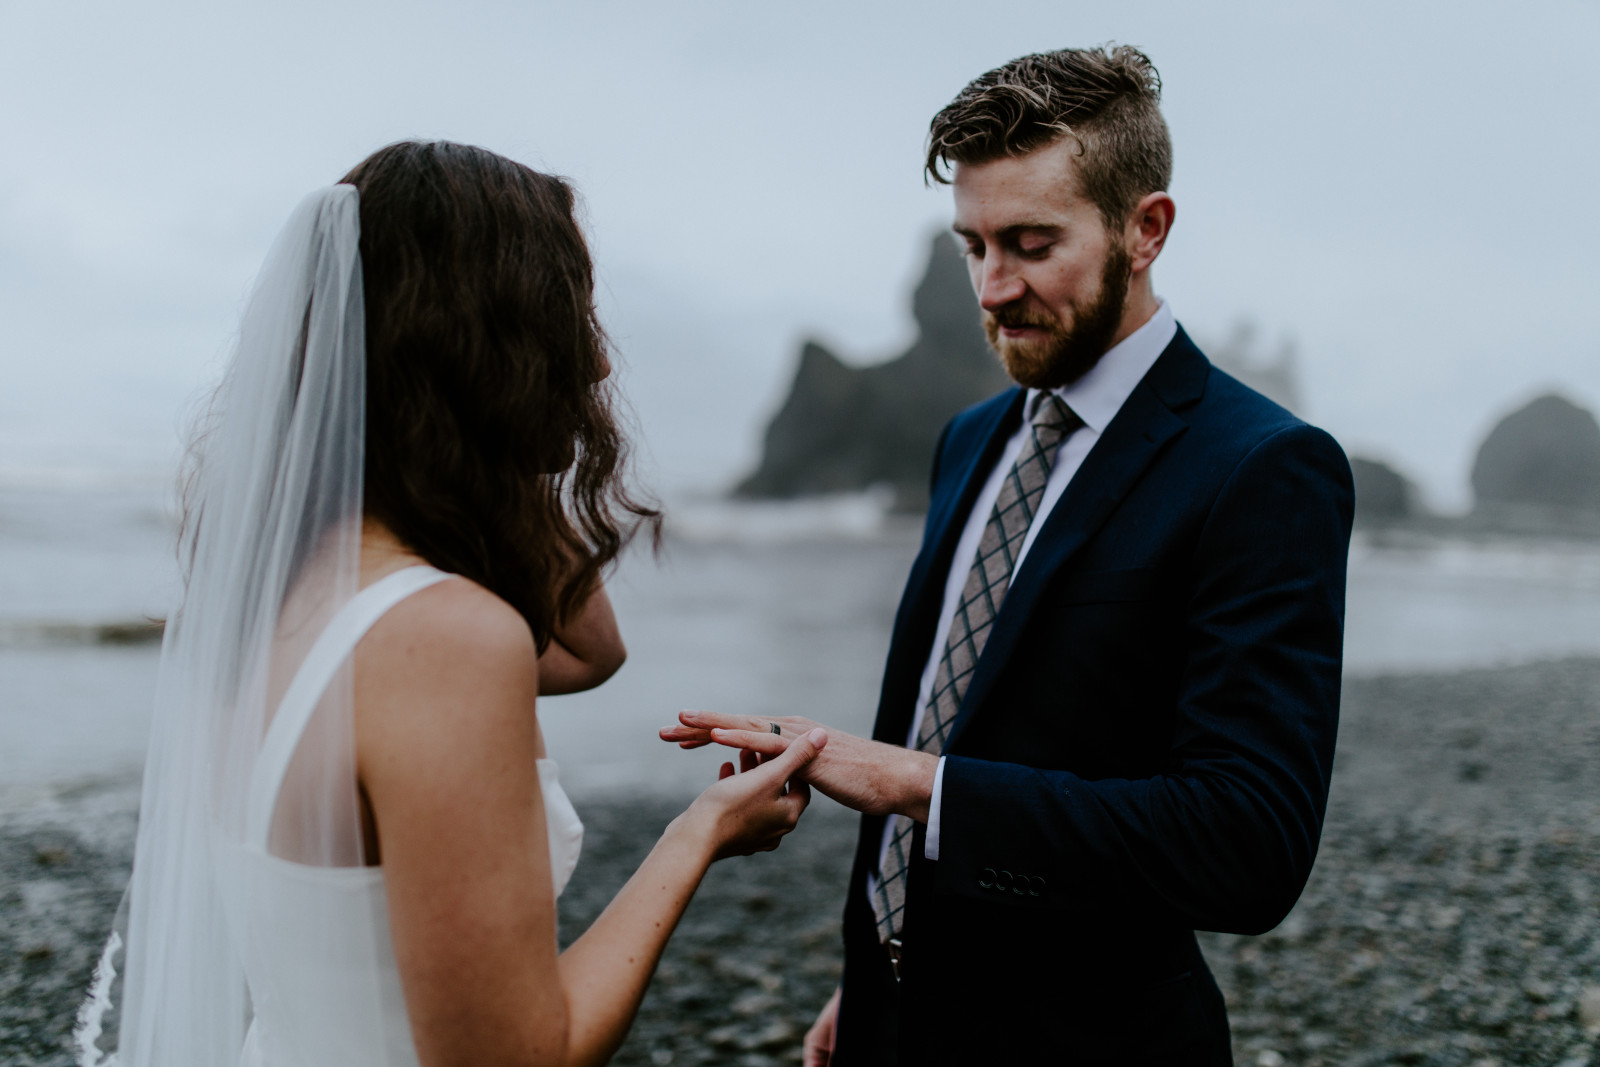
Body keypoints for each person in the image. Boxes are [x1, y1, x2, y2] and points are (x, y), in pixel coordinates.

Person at [663, 46, 1354, 1064]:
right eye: (972, 247)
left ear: (1145, 228)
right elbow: (955, 701)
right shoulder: (970, 438)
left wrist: (913, 783)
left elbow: (1248, 842)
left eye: (1031, 244)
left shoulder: (1263, 468)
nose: (992, 287)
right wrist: (877, 970)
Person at [77, 140, 827, 1067]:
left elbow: (594, 652)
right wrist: (700, 831)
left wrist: (494, 457)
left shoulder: (277, 598)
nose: (595, 367)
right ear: (494, 348)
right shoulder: (439, 638)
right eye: (570, 322)